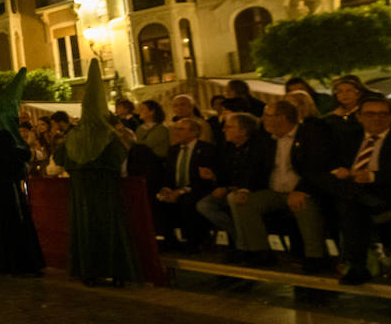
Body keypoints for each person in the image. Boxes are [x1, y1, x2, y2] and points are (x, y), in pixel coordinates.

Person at [55, 59, 139, 287]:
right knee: (108, 228)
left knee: (85, 228)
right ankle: (116, 272)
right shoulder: (108, 136)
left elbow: (59, 159)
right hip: (105, 191)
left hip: (80, 193)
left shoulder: (72, 136)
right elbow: (120, 157)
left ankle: (88, 272)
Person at [326, 95, 391, 285]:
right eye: (370, 114)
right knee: (346, 198)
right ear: (360, 117)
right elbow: (329, 161)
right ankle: (353, 262)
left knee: (351, 203)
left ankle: (356, 264)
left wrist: (373, 176)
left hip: (389, 193)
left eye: (383, 114)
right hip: (350, 189)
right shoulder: (347, 138)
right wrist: (339, 170)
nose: (377, 118)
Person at [229, 99, 334, 270]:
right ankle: (260, 250)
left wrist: (301, 190)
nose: (264, 119)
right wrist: (245, 188)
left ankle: (315, 256)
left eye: (268, 116)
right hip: (275, 191)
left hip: (302, 189)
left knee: (303, 203)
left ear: (283, 117)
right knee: (241, 201)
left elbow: (317, 167)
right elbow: (253, 167)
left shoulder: (308, 135)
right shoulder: (266, 139)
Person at [0, 69, 45, 276]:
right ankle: (19, 264)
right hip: (10, 193)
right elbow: (20, 166)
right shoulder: (9, 142)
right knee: (14, 226)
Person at [196, 112, 271, 260]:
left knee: (233, 198)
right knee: (204, 205)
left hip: (253, 189)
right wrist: (214, 177)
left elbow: (255, 175)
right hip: (232, 189)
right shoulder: (228, 148)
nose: (224, 130)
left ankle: (243, 247)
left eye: (229, 127)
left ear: (243, 131)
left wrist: (230, 189)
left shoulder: (258, 147)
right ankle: (237, 235)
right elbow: (226, 174)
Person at [153, 117, 217, 251]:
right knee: (159, 199)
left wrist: (181, 191)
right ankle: (169, 240)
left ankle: (194, 240)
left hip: (197, 188)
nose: (177, 132)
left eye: (181, 129)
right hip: (176, 188)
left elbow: (203, 179)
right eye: (176, 129)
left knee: (187, 201)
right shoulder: (173, 150)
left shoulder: (206, 149)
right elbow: (169, 174)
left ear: (194, 132)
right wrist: (166, 189)